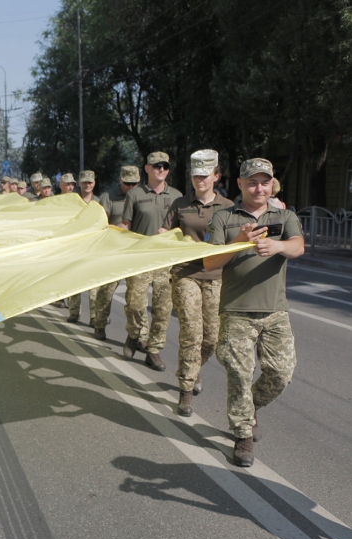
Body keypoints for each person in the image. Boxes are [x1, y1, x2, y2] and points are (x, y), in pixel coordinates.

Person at [203, 158, 304, 467]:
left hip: (275, 311)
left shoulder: (284, 216)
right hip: (237, 311)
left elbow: (298, 246)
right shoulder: (224, 217)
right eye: (252, 182)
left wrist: (277, 247)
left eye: (265, 182)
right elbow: (209, 263)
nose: (259, 188)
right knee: (239, 373)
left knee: (281, 373)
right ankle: (243, 435)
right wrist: (239, 241)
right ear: (240, 184)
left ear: (272, 183)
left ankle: (249, 407)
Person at [159, 150, 233, 416]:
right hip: (185, 273)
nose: (199, 179)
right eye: (195, 174)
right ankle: (186, 390)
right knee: (192, 332)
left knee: (211, 338)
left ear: (216, 176)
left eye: (205, 175)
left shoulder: (226, 207)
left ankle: (192, 369)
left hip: (216, 277)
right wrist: (161, 237)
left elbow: (236, 241)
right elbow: (165, 233)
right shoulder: (180, 204)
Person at [121, 151, 182, 370]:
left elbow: (181, 228)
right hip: (140, 258)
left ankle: (153, 350)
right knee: (136, 305)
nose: (161, 170)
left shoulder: (176, 196)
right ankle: (135, 335)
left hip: (166, 261)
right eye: (156, 166)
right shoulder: (135, 194)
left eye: (165, 166)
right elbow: (126, 225)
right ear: (147, 168)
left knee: (162, 309)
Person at [91, 166, 140, 340]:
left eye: (135, 183)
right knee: (106, 291)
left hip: (136, 252)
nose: (131, 187)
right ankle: (100, 324)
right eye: (127, 183)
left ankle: (137, 335)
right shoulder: (108, 197)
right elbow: (101, 223)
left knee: (137, 297)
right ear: (120, 180)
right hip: (114, 251)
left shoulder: (142, 196)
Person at [65, 170, 101, 323]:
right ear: (79, 183)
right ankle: (74, 312)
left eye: (90, 182)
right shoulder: (72, 202)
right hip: (75, 247)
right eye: (84, 182)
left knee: (94, 286)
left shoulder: (99, 202)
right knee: (74, 281)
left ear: (94, 183)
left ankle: (94, 316)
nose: (87, 184)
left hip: (93, 247)